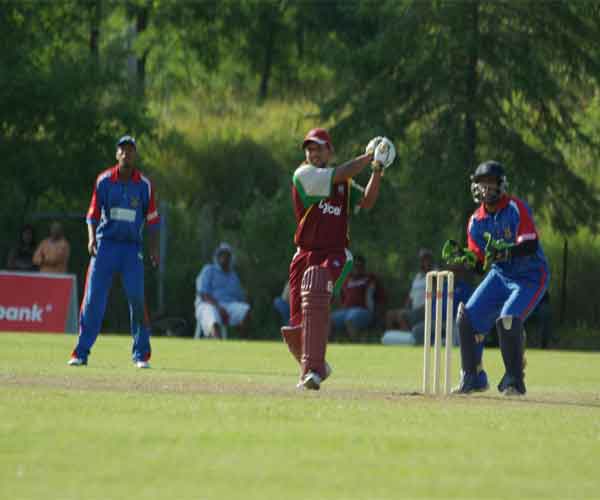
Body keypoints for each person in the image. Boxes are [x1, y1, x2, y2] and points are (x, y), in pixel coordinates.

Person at [281, 128, 395, 390]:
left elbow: (366, 201)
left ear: (329, 152)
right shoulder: (303, 174)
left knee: (317, 293)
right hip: (304, 255)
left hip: (334, 254)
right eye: (309, 149)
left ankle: (312, 371)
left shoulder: (343, 184)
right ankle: (315, 367)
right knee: (296, 326)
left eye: (319, 148)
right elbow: (341, 172)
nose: (313, 153)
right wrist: (369, 156)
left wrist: (377, 169)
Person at [443, 160, 549, 395]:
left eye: (491, 184)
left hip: (530, 276)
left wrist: (506, 251)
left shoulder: (515, 208)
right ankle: (473, 377)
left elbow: (531, 244)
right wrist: (469, 260)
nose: (486, 189)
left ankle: (514, 380)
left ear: (502, 185)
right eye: (482, 184)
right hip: (500, 275)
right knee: (466, 317)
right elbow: (481, 265)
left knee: (508, 319)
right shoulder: (475, 222)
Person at [68, 135, 160, 368]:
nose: (126, 154)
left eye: (130, 150)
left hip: (131, 249)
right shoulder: (104, 180)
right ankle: (81, 353)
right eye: (122, 150)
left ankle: (141, 355)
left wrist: (154, 249)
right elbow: (92, 215)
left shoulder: (144, 185)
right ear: (116, 154)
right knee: (93, 300)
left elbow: (152, 220)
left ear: (135, 154)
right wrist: (91, 240)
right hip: (106, 246)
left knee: (137, 299)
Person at [194, 242, 251, 339]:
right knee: (211, 314)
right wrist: (219, 308)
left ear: (231, 257)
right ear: (217, 256)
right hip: (208, 304)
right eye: (221, 254)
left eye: (227, 255)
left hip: (228, 306)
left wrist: (246, 302)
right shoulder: (208, 270)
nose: (224, 257)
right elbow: (203, 294)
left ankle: (243, 343)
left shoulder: (233, 276)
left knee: (245, 310)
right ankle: (219, 344)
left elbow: (240, 298)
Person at [330, 254, 385, 341]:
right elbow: (340, 297)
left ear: (363, 266)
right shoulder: (346, 280)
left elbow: (381, 299)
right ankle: (329, 346)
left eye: (359, 265)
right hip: (346, 311)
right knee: (328, 320)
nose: (357, 268)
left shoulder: (371, 279)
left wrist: (378, 314)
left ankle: (355, 343)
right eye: (355, 265)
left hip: (364, 311)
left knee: (350, 319)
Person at [385, 248, 434, 332]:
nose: (425, 262)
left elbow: (436, 295)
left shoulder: (434, 275)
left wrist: (428, 307)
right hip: (413, 310)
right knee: (390, 314)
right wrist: (405, 308)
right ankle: (391, 339)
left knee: (401, 315)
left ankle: (409, 339)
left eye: (427, 259)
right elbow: (410, 296)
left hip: (425, 310)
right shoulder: (417, 276)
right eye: (422, 259)